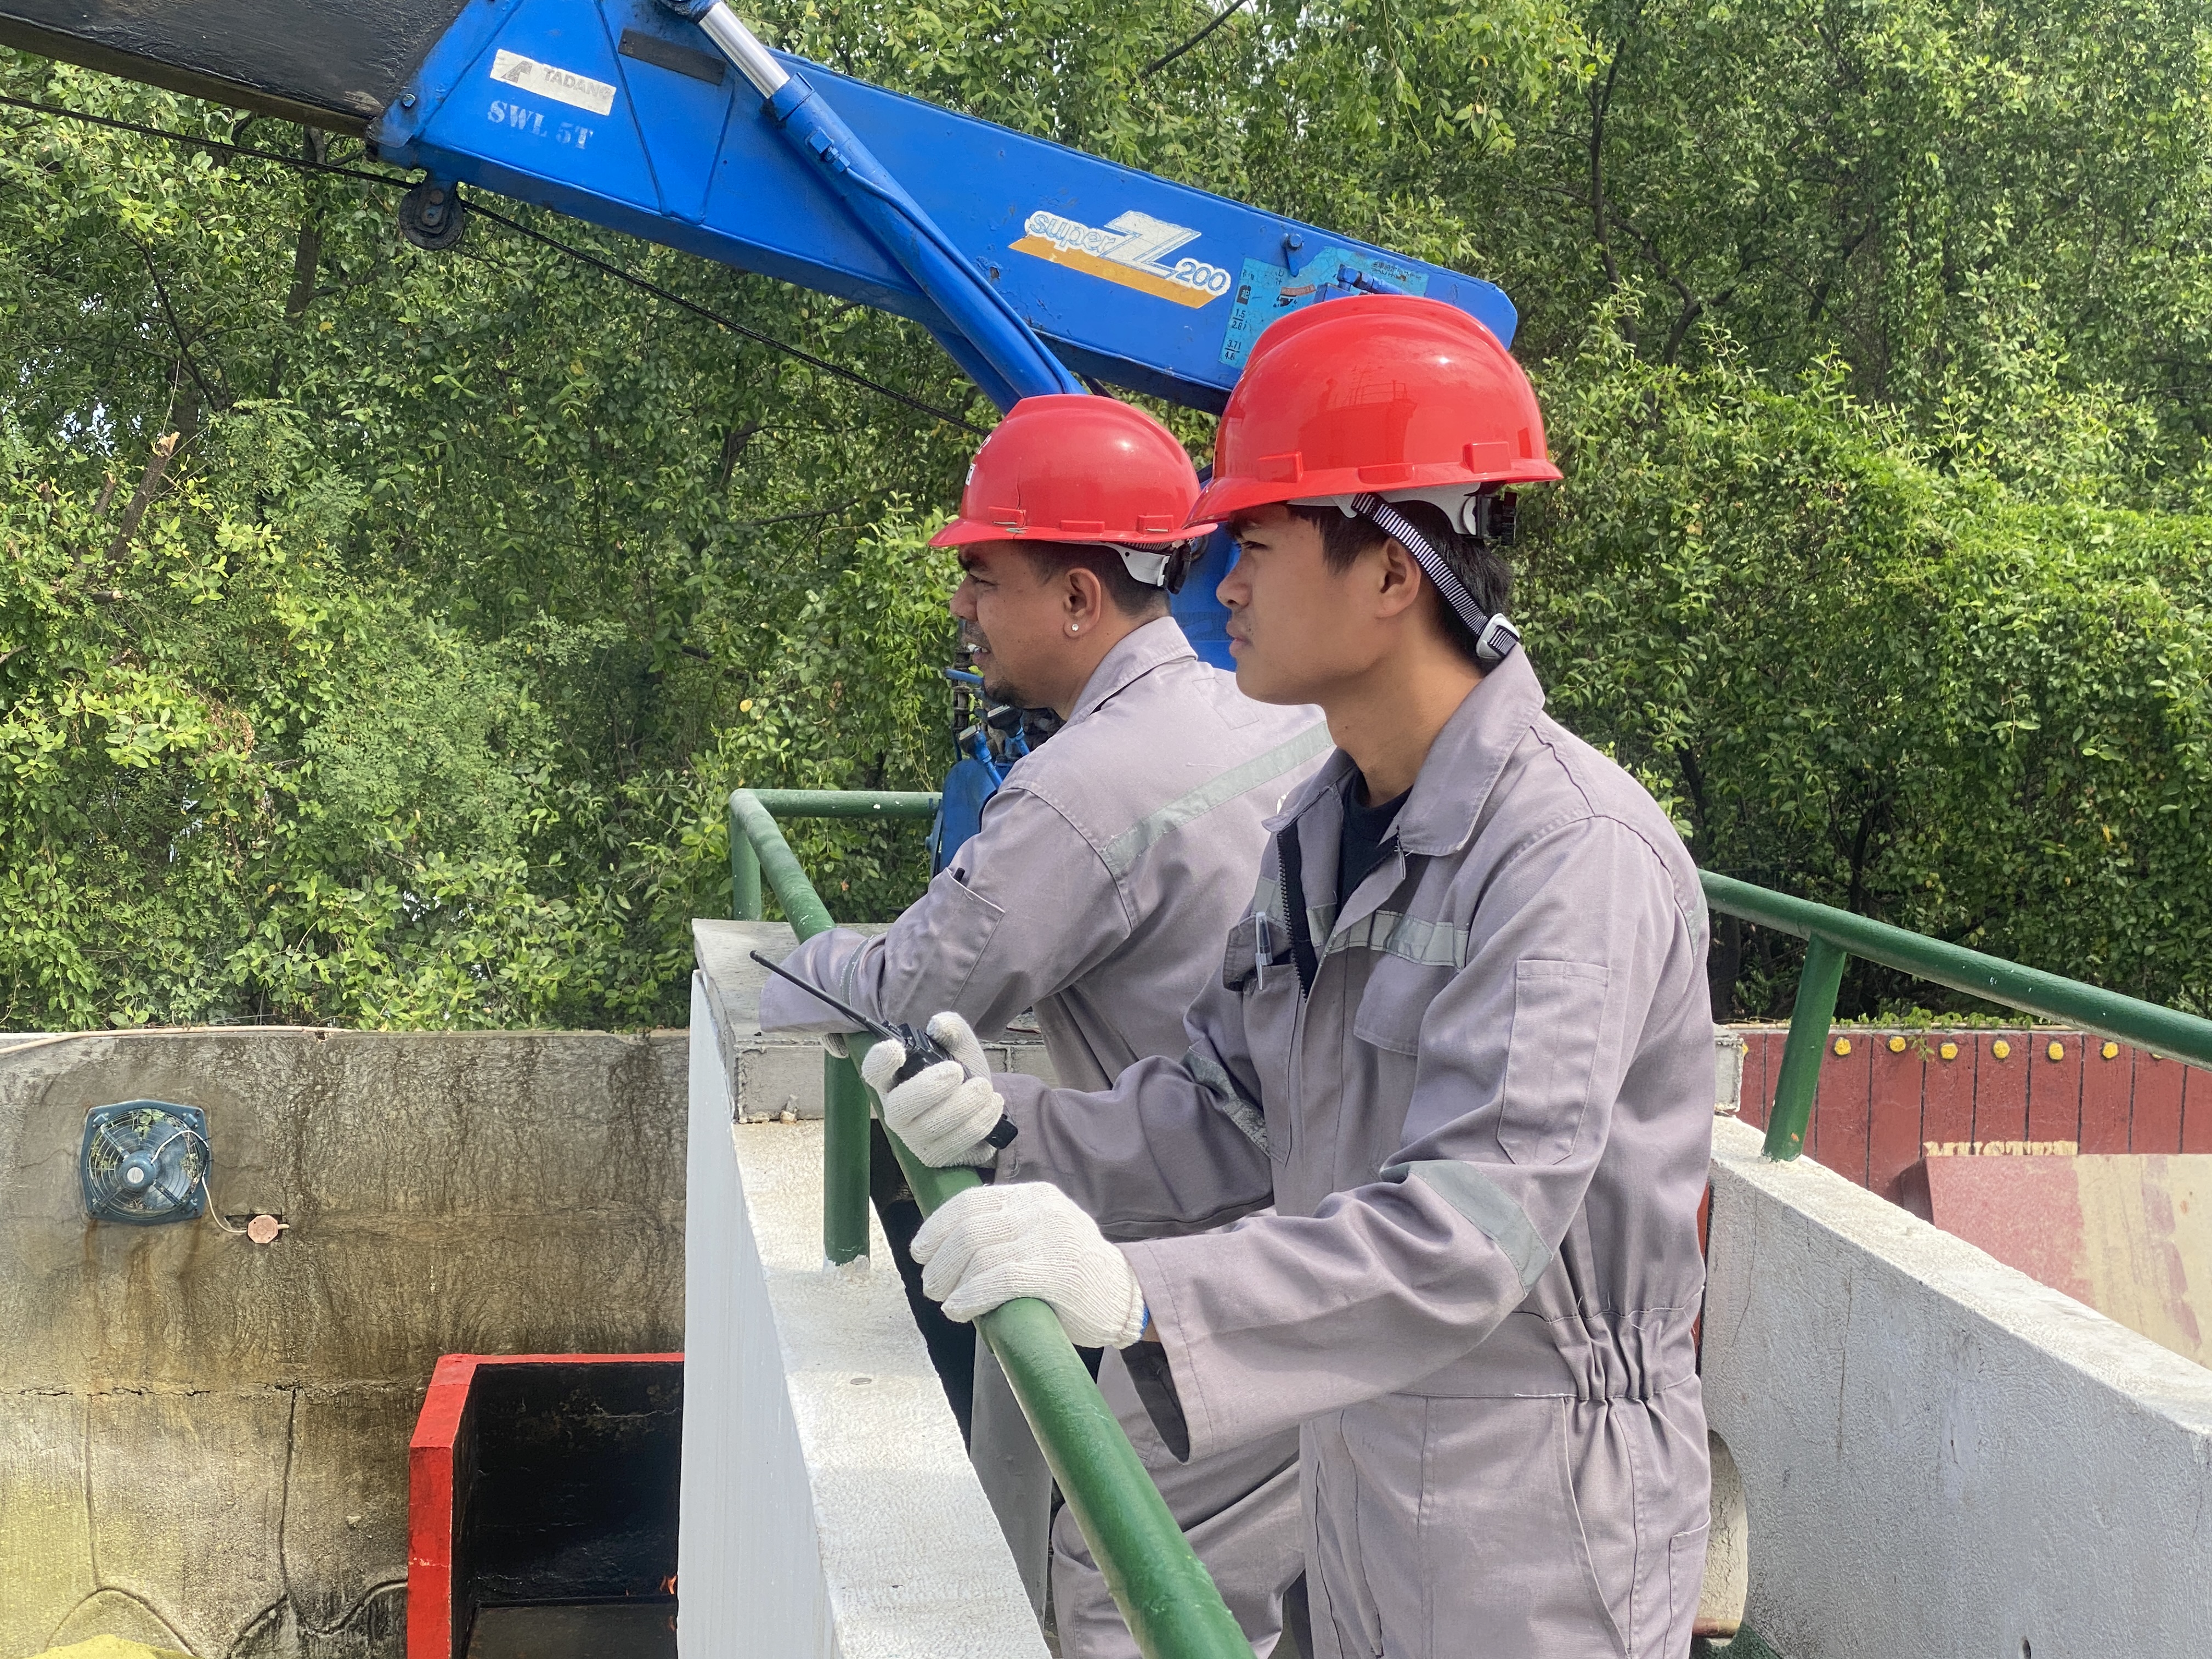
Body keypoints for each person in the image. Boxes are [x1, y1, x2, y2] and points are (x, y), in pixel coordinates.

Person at [864, 295, 1716, 1659]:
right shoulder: (1322, 823)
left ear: (1393, 572)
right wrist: (1006, 1131)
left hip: (1538, 1518)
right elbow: (1229, 1110)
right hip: (1363, 1454)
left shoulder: (1570, 856)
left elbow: (1471, 1230)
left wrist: (1147, 1296)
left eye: (1255, 545)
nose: (1224, 590)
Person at [757, 392, 1327, 1657]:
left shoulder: (1081, 788)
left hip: (1216, 1253)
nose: (963, 604)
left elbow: (912, 986)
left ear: (1078, 598)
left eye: (986, 574)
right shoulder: (1271, 715)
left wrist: (795, 962)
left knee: (1129, 1592)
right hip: (1323, 1219)